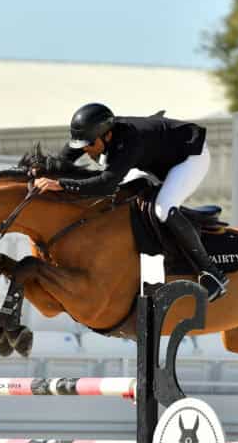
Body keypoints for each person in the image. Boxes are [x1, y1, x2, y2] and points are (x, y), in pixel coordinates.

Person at [32, 103, 227, 301]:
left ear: (107, 136)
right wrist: (40, 171)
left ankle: (211, 274)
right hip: (156, 160)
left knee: (163, 208)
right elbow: (63, 160)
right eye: (81, 145)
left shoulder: (129, 142)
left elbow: (105, 185)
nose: (85, 150)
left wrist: (61, 185)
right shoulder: (94, 135)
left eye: (89, 145)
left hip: (189, 158)